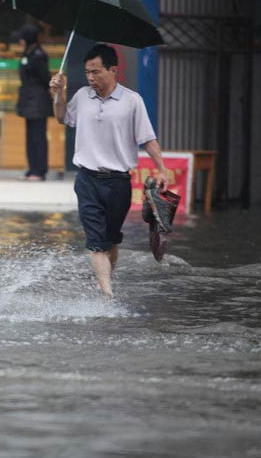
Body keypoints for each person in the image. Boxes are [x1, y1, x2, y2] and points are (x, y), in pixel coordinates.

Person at [49, 43, 168, 297]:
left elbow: (148, 138)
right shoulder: (82, 96)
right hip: (87, 180)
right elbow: (62, 118)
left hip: (118, 183)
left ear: (113, 70)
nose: (91, 77)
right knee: (95, 242)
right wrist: (58, 95)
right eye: (87, 72)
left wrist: (162, 169)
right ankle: (107, 295)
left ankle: (105, 282)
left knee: (111, 239)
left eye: (96, 72)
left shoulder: (132, 101)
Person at [14, 23, 53, 181]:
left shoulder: (38, 55)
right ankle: (32, 168)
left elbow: (46, 79)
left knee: (38, 136)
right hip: (29, 102)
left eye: (23, 38)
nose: (20, 41)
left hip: (37, 102)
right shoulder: (28, 53)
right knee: (31, 137)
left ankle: (39, 170)